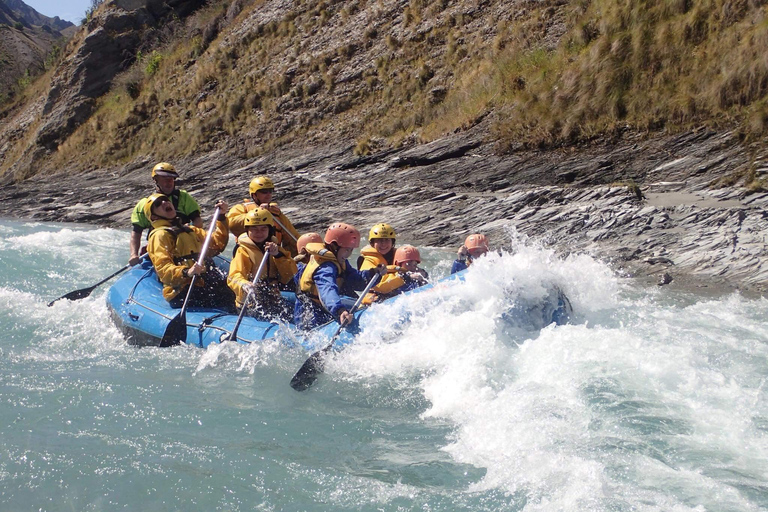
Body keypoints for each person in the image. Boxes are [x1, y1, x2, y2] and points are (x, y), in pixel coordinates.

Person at [144, 193, 235, 310]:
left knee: (232, 294)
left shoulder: (190, 230)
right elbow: (163, 270)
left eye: (165, 200)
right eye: (158, 204)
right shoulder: (159, 236)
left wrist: (221, 217)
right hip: (183, 291)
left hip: (203, 282)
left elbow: (217, 245)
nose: (164, 203)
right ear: (154, 217)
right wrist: (187, 272)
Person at [294, 223, 386, 330]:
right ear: (334, 246)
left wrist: (373, 273)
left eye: (351, 250)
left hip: (325, 310)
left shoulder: (340, 262)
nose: (349, 254)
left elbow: (356, 280)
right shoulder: (324, 268)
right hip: (310, 316)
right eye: (347, 250)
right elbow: (327, 291)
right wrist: (340, 310)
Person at [227, 208, 297, 322]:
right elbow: (233, 276)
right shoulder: (242, 251)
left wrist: (278, 255)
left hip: (273, 298)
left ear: (270, 230)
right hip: (250, 303)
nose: (259, 233)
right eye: (254, 229)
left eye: (263, 229)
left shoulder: (276, 249)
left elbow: (290, 274)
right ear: (247, 230)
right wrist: (244, 284)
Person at [129, 162, 203, 266]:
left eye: (171, 178)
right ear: (156, 180)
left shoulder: (184, 197)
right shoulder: (145, 204)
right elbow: (136, 232)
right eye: (164, 178)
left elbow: (198, 221)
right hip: (160, 249)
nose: (169, 182)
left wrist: (190, 229)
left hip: (185, 248)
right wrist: (133, 254)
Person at [226, 175, 300, 256]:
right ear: (254, 195)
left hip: (272, 254)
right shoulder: (241, 208)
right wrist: (258, 213)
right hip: (248, 254)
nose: (268, 194)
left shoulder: (276, 213)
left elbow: (293, 237)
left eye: (270, 191)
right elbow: (232, 225)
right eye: (264, 192)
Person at [362, 245, 429, 304]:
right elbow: (383, 286)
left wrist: (424, 276)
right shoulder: (392, 275)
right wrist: (407, 277)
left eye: (415, 264)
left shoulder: (418, 274)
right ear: (398, 264)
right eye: (408, 264)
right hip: (387, 301)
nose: (412, 267)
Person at [357, 223, 405, 299]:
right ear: (372, 243)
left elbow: (410, 268)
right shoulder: (367, 260)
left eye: (387, 240)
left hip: (396, 292)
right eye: (379, 240)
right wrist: (403, 278)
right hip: (377, 297)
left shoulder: (398, 254)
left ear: (392, 242)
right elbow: (379, 286)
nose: (383, 244)